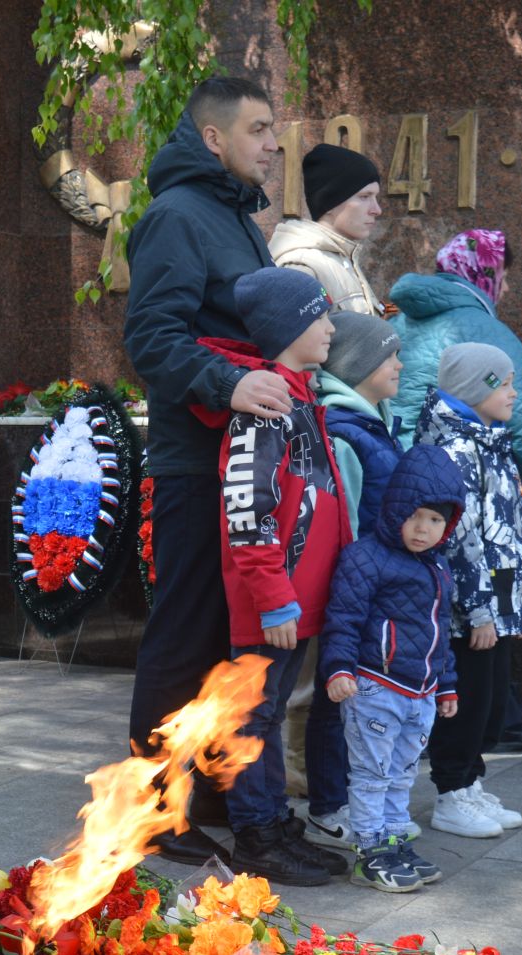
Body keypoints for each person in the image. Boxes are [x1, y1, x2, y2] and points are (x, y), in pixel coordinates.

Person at [123, 75, 293, 865]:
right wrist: (230, 382)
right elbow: (152, 338)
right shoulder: (176, 217)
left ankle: (218, 786)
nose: (272, 143)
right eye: (258, 129)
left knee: (229, 637)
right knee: (186, 629)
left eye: (273, 130)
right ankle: (153, 805)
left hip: (243, 457)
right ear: (214, 137)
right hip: (196, 462)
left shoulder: (235, 217)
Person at [200, 266, 350, 886]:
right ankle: (257, 835)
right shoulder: (264, 409)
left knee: (269, 709)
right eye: (321, 317)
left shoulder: (300, 396)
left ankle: (271, 821)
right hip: (274, 602)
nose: (332, 326)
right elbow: (247, 512)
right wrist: (273, 597)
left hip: (297, 600)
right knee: (253, 715)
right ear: (290, 328)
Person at [292, 312, 418, 852]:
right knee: (337, 697)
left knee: (365, 697)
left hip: (380, 586)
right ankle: (329, 805)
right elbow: (339, 521)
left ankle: (363, 801)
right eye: (390, 355)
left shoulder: (373, 423)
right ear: (360, 364)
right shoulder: (346, 432)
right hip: (357, 587)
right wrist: (358, 588)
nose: (400, 364)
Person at [319, 444, 465, 891]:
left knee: (403, 772)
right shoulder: (366, 557)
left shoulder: (438, 570)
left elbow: (439, 633)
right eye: (415, 516)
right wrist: (339, 668)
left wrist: (446, 685)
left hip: (419, 693)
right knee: (371, 772)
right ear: (396, 509)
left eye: (436, 521)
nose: (423, 529)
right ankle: (371, 848)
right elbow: (343, 617)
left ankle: (395, 838)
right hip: (376, 686)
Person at [416, 344, 522, 839]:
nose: (513, 392)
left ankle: (469, 782)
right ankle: (450, 792)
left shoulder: (485, 439)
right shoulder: (458, 449)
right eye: (504, 383)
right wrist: (482, 610)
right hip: (473, 608)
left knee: (486, 699)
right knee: (463, 700)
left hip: (495, 600)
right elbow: (462, 540)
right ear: (477, 389)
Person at [387, 230, 522, 525]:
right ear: (482, 274)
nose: (506, 289)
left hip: (395, 476)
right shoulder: (489, 333)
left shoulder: (398, 321)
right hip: (451, 487)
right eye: (504, 276)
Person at [268, 144, 386, 316]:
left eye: (375, 197)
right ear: (330, 202)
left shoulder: (341, 258)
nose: (377, 210)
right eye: (364, 197)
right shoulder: (302, 266)